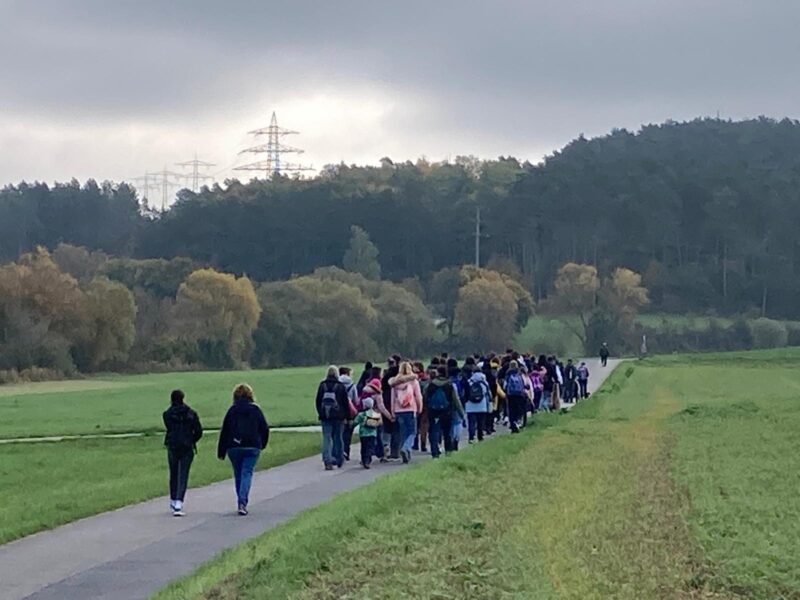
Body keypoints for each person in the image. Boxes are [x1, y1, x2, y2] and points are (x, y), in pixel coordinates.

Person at [217, 383, 269, 516]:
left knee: (238, 473)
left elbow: (225, 431)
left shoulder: (232, 410)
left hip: (234, 446)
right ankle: (242, 502)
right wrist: (262, 443)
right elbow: (264, 428)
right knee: (247, 472)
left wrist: (221, 450)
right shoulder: (256, 410)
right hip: (252, 446)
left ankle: (240, 500)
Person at [163, 389, 203, 517]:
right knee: (183, 474)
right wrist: (191, 440)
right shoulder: (191, 413)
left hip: (173, 445)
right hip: (187, 446)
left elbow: (169, 427)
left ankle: (173, 498)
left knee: (173, 473)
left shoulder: (167, 414)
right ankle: (179, 502)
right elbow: (199, 431)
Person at [424, 365, 465, 457]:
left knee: (434, 431)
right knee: (447, 432)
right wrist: (461, 413)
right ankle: (448, 451)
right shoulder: (449, 385)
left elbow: (425, 397)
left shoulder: (430, 385)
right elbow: (456, 400)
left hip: (433, 411)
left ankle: (434, 452)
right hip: (447, 412)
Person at [315, 365, 350, 470]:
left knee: (326, 438)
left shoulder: (322, 385)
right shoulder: (340, 386)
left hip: (325, 416)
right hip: (339, 417)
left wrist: (321, 412)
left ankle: (327, 460)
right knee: (338, 438)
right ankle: (339, 458)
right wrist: (347, 417)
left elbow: (318, 401)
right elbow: (345, 403)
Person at [389, 361, 423, 463]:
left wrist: (392, 411)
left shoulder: (395, 383)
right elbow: (418, 396)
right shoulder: (414, 381)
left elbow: (393, 399)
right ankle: (406, 448)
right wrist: (420, 407)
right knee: (412, 432)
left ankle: (405, 453)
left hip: (398, 410)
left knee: (403, 432)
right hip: (410, 409)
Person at [360, 377, 393, 462]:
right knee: (378, 436)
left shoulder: (364, 392)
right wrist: (390, 417)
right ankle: (381, 454)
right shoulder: (377, 394)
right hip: (375, 416)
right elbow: (382, 408)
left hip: (365, 415)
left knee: (367, 436)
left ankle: (366, 456)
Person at [352, 397, 382, 469]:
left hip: (363, 434)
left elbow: (355, 422)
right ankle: (368, 460)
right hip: (372, 434)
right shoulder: (375, 413)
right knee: (370, 447)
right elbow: (379, 423)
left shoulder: (361, 414)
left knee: (364, 448)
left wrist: (352, 425)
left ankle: (364, 460)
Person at [466, 365, 491, 442]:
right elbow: (487, 393)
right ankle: (480, 436)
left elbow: (466, 392)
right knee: (480, 422)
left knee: (471, 422)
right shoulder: (484, 382)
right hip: (482, 405)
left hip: (470, 405)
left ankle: (471, 437)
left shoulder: (469, 381)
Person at [338, 366, 359, 461]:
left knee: (339, 433)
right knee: (348, 433)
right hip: (350, 412)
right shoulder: (352, 385)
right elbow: (356, 400)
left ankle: (339, 451)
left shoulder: (337, 384)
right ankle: (346, 451)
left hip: (339, 411)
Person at [504, 360, 529, 433]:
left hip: (510, 395)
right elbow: (524, 383)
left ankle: (512, 425)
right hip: (519, 394)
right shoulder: (519, 373)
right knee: (519, 410)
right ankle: (517, 422)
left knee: (511, 410)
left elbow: (505, 385)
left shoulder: (508, 373)